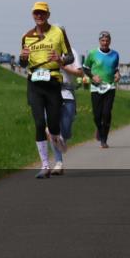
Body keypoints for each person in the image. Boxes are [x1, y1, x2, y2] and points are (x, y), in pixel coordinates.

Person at [19, 2, 75, 179]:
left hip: (52, 82)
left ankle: (58, 140)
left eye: (42, 13)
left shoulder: (58, 32)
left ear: (48, 15)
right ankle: (45, 165)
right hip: (34, 83)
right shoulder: (27, 36)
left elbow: (70, 56)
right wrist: (23, 58)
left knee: (53, 125)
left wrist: (60, 60)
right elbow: (22, 63)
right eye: (36, 13)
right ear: (33, 15)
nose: (39, 16)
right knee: (39, 124)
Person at [48, 46, 85, 175]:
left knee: (66, 131)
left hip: (67, 92)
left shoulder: (71, 52)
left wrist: (62, 65)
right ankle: (58, 162)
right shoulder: (45, 48)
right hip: (50, 92)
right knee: (52, 129)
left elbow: (80, 73)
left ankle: (63, 137)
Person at [83, 31, 120, 149]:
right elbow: (85, 68)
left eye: (107, 40)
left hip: (110, 86)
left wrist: (117, 74)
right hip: (96, 87)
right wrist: (93, 76)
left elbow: (114, 68)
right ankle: (99, 129)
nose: (105, 43)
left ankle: (104, 139)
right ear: (99, 41)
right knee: (97, 115)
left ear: (110, 41)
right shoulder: (93, 53)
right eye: (103, 40)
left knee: (106, 113)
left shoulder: (115, 54)